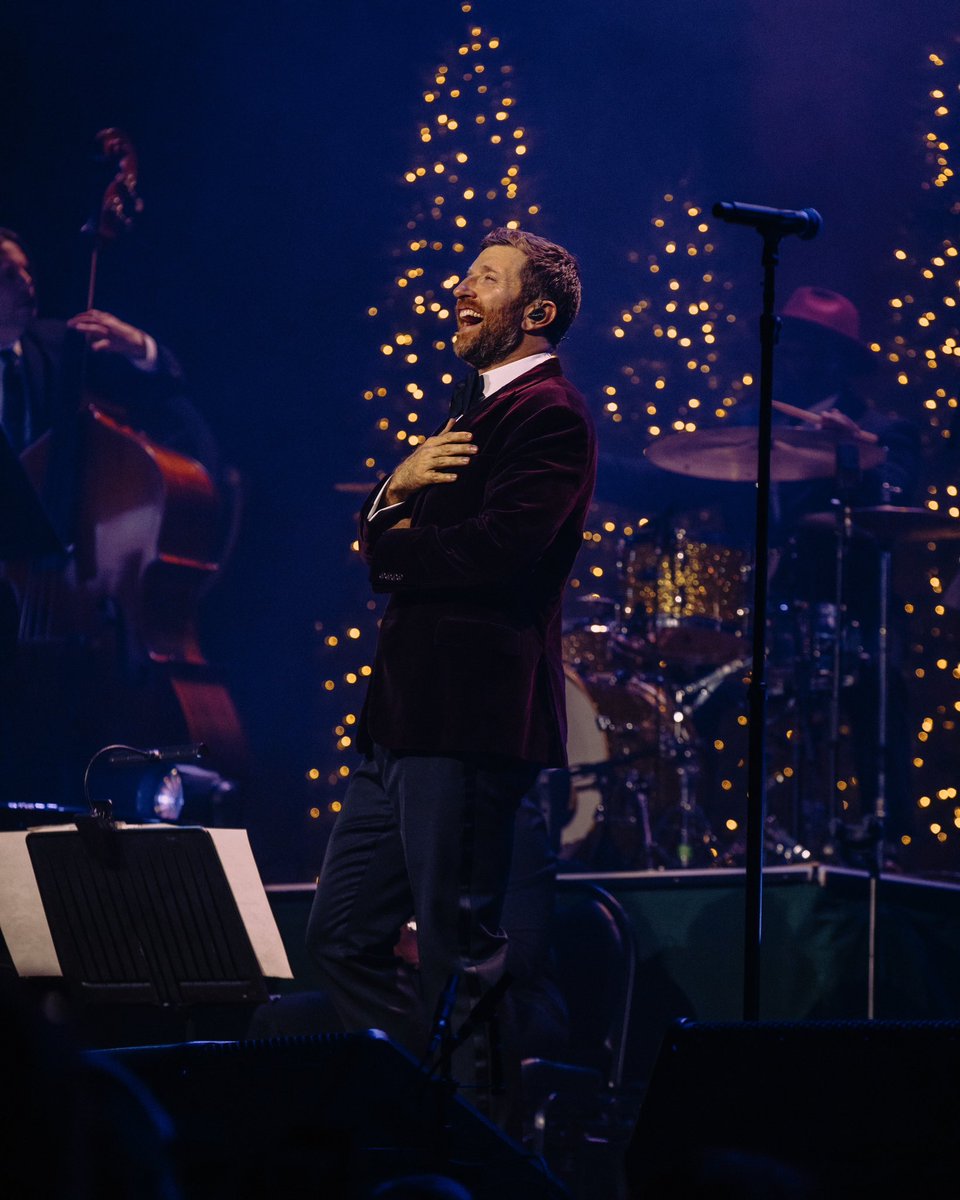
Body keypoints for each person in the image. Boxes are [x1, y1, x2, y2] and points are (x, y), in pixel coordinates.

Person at [306, 227, 596, 1127]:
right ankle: (425, 1115)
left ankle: (481, 1157)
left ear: (535, 311)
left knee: (458, 964)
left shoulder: (548, 414)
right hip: (401, 724)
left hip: (468, 726)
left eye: (485, 280)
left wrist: (388, 539)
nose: (460, 292)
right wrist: (389, 498)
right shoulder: (469, 412)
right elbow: (385, 527)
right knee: (342, 937)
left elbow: (497, 550)